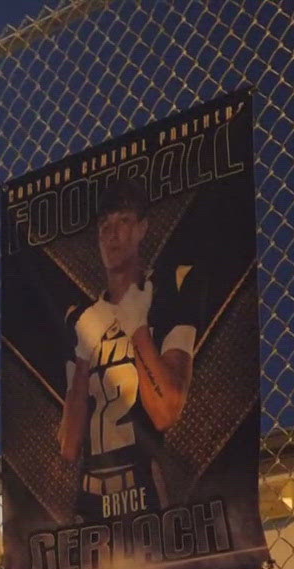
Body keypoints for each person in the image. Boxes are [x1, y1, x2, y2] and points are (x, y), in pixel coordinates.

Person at [55, 177, 200, 522]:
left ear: (142, 229)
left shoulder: (168, 291)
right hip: (89, 497)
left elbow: (166, 411)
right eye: (104, 225)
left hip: (144, 488)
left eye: (123, 221)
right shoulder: (82, 318)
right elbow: (69, 445)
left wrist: (138, 329)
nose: (112, 234)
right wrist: (83, 358)